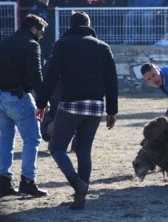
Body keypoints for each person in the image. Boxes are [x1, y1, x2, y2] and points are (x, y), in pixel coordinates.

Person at [35, 11, 118, 210]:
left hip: (71, 104)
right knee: (84, 151)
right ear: (88, 25)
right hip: (96, 106)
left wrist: (41, 103)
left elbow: (51, 75)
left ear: (71, 26)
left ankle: (76, 183)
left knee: (56, 148)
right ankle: (80, 198)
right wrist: (112, 111)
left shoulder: (63, 44)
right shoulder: (103, 47)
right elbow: (111, 81)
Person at [0, 14, 49, 198]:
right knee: (32, 138)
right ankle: (28, 181)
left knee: (6, 139)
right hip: (19, 95)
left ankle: (4, 182)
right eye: (41, 31)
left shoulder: (2, 44)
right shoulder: (31, 45)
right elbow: (36, 74)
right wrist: (43, 100)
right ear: (33, 29)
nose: (41, 35)